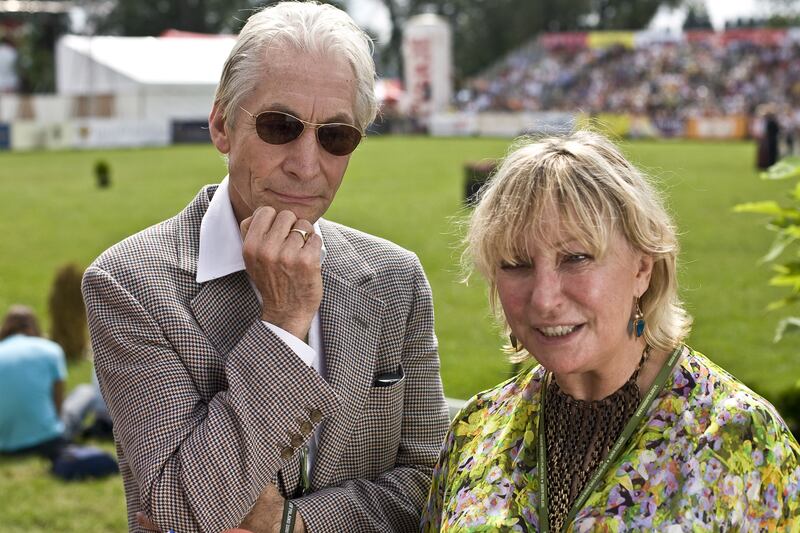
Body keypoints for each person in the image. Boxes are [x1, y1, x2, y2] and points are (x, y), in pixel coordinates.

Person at [82, 2, 448, 532]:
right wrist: (283, 321)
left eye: (335, 136)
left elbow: (431, 484)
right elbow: (183, 509)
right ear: (221, 126)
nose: (305, 164)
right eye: (280, 126)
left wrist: (293, 523)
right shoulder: (129, 283)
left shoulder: (395, 279)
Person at [421, 131, 800, 531]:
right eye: (516, 264)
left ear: (642, 267)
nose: (544, 299)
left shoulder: (736, 436)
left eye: (576, 258)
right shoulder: (478, 428)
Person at [0, 305, 68, 461]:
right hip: (46, 440)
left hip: (3, 444)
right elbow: (58, 404)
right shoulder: (51, 349)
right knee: (83, 394)